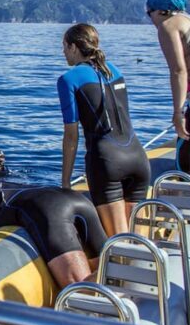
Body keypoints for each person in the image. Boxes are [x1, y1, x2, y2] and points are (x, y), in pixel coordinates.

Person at [57, 23, 150, 236]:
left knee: (119, 243)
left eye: (64, 46)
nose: (63, 52)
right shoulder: (114, 71)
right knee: (140, 242)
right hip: (138, 158)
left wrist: (65, 183)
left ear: (73, 47)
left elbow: (71, 136)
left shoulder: (68, 79)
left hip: (107, 162)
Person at [146, 0, 190, 175]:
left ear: (161, 11)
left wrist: (178, 112)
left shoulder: (168, 26)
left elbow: (178, 70)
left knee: (189, 152)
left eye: (149, 13)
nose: (150, 19)